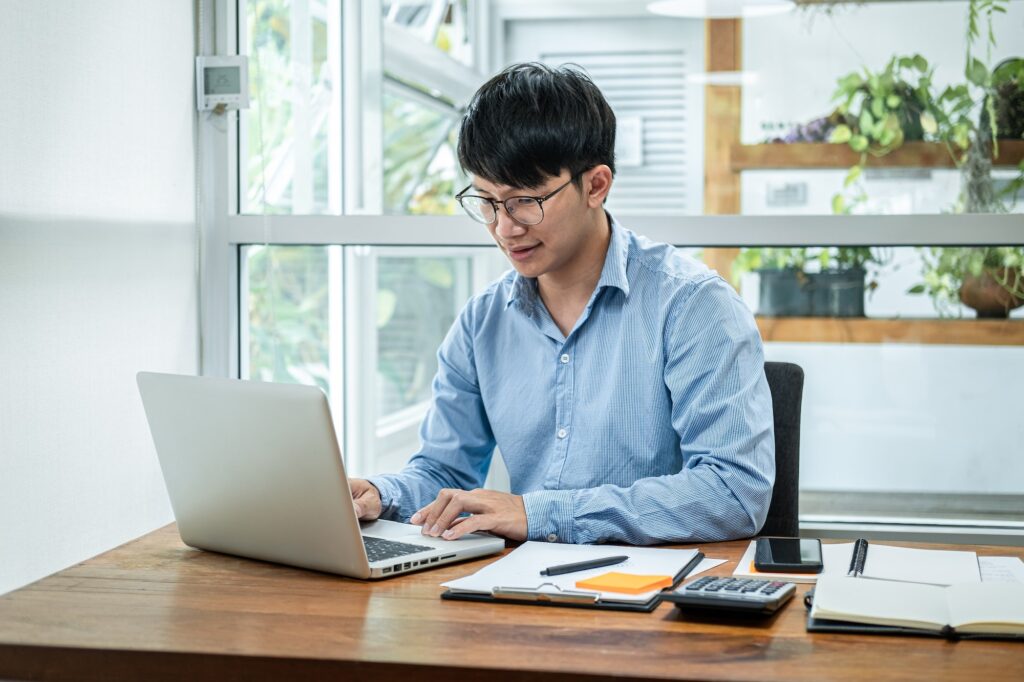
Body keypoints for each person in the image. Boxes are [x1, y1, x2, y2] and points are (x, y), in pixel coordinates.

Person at [349, 63, 774, 545]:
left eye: (525, 200)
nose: (504, 228)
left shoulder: (693, 306)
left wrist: (541, 513)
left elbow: (735, 491)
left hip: (657, 595)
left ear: (596, 185)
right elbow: (445, 471)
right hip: (518, 588)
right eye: (486, 200)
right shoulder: (481, 322)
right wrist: (381, 495)